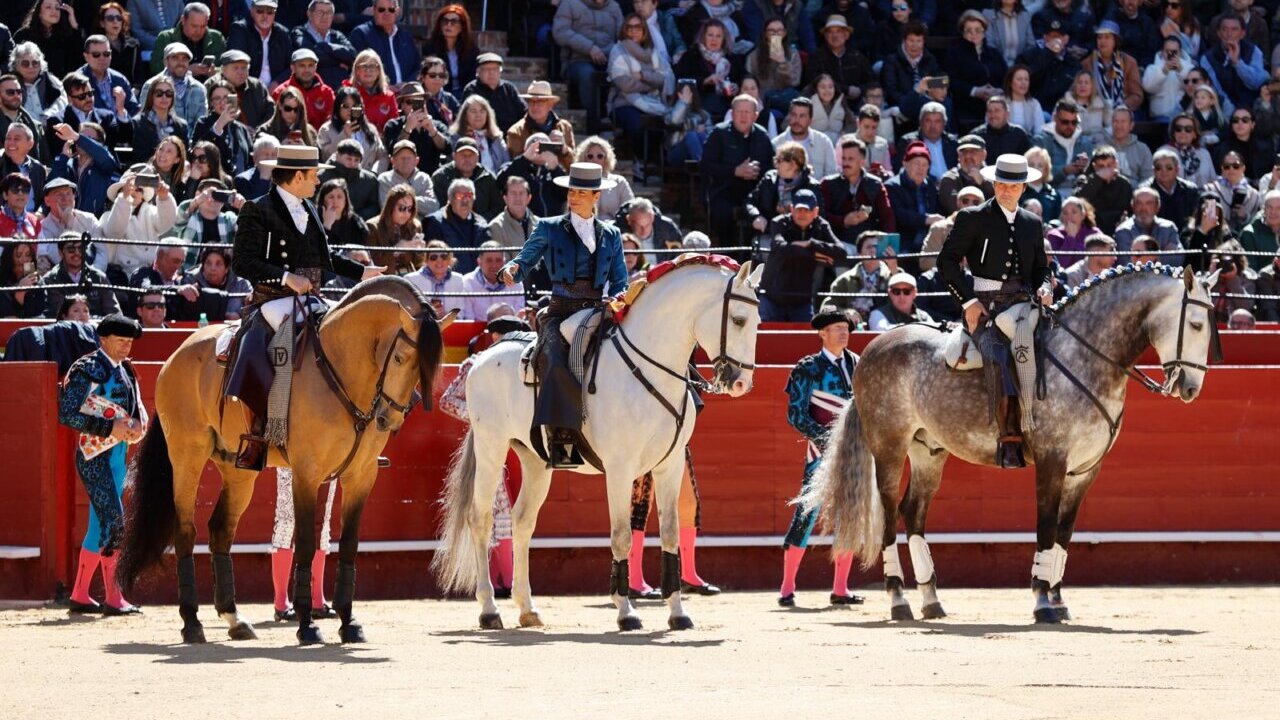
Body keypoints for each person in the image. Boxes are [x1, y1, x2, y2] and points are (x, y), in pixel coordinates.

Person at [227, 144, 384, 470]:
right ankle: (263, 433)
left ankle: (360, 427)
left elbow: (323, 259)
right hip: (272, 299)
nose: (317, 182)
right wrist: (286, 277)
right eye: (313, 176)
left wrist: (362, 272)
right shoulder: (257, 209)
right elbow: (242, 263)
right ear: (297, 176)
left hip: (309, 299)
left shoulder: (308, 207)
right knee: (284, 340)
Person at [497, 162, 628, 468]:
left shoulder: (611, 234)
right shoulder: (549, 227)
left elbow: (620, 280)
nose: (574, 196)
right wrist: (512, 269)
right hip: (560, 310)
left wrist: (617, 301)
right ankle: (562, 437)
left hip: (599, 309)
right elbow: (524, 260)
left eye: (581, 191)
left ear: (596, 196)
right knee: (555, 358)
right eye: (571, 190)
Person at [937, 153, 1052, 469]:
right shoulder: (972, 217)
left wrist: (1045, 287)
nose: (1006, 190)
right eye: (1001, 183)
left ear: (1023, 188)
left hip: (1024, 305)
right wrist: (968, 302)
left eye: (1013, 185)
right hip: (985, 307)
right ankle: (1009, 438)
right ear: (993, 184)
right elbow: (946, 262)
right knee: (999, 357)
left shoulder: (1031, 222)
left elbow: (1041, 268)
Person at [438, 313, 533, 599]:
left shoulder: (521, 366)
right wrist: (483, 420)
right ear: (495, 337)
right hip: (484, 440)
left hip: (514, 440)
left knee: (505, 509)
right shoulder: (476, 364)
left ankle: (504, 580)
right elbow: (446, 401)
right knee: (495, 506)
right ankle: (496, 578)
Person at [58, 313, 147, 616]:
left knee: (99, 527)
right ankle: (114, 597)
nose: (126, 347)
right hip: (94, 457)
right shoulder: (87, 368)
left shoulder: (125, 370)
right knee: (114, 523)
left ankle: (81, 594)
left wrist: (137, 425)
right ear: (104, 339)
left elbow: (135, 408)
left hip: (118, 456)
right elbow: (67, 414)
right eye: (121, 341)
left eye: (129, 342)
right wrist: (111, 429)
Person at [779, 305, 862, 607]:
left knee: (850, 514)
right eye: (838, 328)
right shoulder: (807, 368)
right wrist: (828, 441)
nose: (844, 332)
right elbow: (796, 414)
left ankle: (841, 589)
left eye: (847, 328)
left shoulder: (858, 364)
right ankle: (787, 587)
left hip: (853, 451)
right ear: (822, 333)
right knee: (807, 513)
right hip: (821, 452)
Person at [758, 188, 846, 320]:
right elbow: (779, 247)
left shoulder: (821, 226)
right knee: (762, 338)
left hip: (802, 302)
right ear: (792, 209)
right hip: (771, 299)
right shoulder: (779, 222)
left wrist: (812, 243)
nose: (802, 214)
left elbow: (841, 252)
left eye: (807, 210)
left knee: (807, 340)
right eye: (799, 210)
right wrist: (815, 254)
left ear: (816, 212)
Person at [700, 94, 775, 249]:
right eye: (739, 111)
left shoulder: (762, 136)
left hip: (755, 191)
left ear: (755, 116)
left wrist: (757, 171)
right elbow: (706, 165)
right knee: (722, 213)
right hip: (725, 189)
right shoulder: (719, 133)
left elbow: (772, 167)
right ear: (732, 114)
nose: (743, 116)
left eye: (747, 112)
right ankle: (728, 255)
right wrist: (735, 171)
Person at [553, 0, 622, 136]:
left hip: (609, 59)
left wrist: (608, 52)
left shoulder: (614, 7)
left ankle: (616, 122)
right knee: (588, 75)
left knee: (623, 74)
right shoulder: (570, 4)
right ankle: (592, 126)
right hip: (577, 60)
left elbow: (622, 36)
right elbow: (560, 32)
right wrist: (589, 48)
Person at [819, 134, 894, 246]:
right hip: (838, 243)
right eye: (844, 158)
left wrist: (887, 244)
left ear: (862, 161)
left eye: (850, 159)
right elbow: (820, 217)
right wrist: (843, 221)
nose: (845, 163)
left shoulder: (875, 185)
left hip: (869, 244)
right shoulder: (828, 184)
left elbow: (887, 217)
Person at [883, 140, 942, 270]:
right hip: (904, 241)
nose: (920, 168)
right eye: (916, 163)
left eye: (924, 164)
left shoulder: (931, 186)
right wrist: (926, 219)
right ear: (905, 164)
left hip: (928, 241)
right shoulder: (892, 186)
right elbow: (899, 214)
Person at [746, 141, 823, 235]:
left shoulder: (812, 186)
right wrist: (756, 216)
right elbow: (749, 201)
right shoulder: (769, 179)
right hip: (769, 234)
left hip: (799, 238)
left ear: (793, 164)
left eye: (779, 160)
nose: (775, 164)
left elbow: (818, 219)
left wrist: (790, 213)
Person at [672, 19, 739, 119]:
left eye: (718, 36)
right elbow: (680, 80)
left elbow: (742, 77)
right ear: (703, 37)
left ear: (723, 39)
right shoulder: (691, 55)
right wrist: (704, 81)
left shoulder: (731, 58)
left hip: (726, 109)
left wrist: (736, 87)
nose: (714, 40)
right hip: (699, 108)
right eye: (710, 35)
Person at [1199, 14, 1266, 114]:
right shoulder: (1208, 58)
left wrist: (1237, 63)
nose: (1229, 34)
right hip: (1223, 111)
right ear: (1219, 33)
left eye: (1234, 29)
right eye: (1224, 29)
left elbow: (1257, 83)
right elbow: (1216, 90)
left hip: (1252, 109)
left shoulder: (1254, 51)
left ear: (1242, 33)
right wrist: (1232, 114)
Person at [423, 178, 491, 274]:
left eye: (469, 195)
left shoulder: (482, 225)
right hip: (447, 281)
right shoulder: (435, 223)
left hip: (476, 282)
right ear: (450, 199)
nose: (465, 200)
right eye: (460, 196)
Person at [506, 80, 576, 171]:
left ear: (550, 105)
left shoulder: (565, 128)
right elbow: (516, 169)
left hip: (560, 181)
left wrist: (565, 150)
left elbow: (574, 166)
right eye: (531, 102)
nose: (535, 107)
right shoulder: (515, 132)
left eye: (540, 102)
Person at [350, 0, 421, 87]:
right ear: (374, 10)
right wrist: (385, 87)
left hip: (406, 96)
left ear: (397, 12)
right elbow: (360, 69)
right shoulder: (361, 34)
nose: (386, 13)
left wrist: (407, 85)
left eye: (391, 10)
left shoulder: (406, 37)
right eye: (381, 9)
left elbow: (418, 68)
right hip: (377, 95)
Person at [192, 77, 254, 175]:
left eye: (226, 97)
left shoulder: (241, 128)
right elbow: (196, 150)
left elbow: (251, 159)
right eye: (217, 98)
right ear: (211, 103)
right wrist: (219, 125)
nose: (222, 102)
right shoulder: (203, 123)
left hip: (241, 184)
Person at [141, 42, 209, 130]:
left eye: (184, 59)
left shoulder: (199, 89)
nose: (180, 63)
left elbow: (202, 123)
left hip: (193, 141)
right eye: (175, 58)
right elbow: (145, 120)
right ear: (166, 61)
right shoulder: (150, 86)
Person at [291, 0, 357, 92]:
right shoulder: (299, 32)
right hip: (312, 91)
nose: (325, 16)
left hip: (341, 92)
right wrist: (338, 62)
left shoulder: (337, 35)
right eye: (320, 12)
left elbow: (352, 55)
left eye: (329, 13)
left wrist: (327, 47)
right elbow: (308, 55)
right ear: (309, 14)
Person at [151, 2, 227, 80]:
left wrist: (215, 72)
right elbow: (156, 68)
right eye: (194, 26)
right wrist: (186, 70)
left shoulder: (216, 38)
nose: (198, 31)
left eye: (203, 26)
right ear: (183, 20)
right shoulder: (166, 38)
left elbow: (227, 67)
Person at [431, 136, 501, 220]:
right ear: (454, 156)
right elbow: (437, 208)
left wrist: (479, 222)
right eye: (463, 155)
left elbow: (498, 207)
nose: (467, 159)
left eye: (471, 155)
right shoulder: (440, 177)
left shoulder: (487, 177)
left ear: (478, 157)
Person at [227, 0, 292, 91]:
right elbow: (236, 64)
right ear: (252, 11)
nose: (265, 16)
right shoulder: (240, 30)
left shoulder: (282, 33)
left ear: (275, 14)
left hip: (276, 91)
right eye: (260, 11)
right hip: (246, 89)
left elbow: (291, 67)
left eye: (270, 12)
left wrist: (276, 83)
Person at [1082, 21, 1143, 116]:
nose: (1102, 41)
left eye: (1107, 37)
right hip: (1096, 113)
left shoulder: (1129, 62)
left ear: (1115, 40)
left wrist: (1121, 107)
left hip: (1123, 112)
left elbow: (1137, 95)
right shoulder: (1087, 63)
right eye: (1099, 37)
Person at [1032, 99, 1093, 193]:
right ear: (1055, 118)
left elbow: (1093, 175)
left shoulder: (1085, 142)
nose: (1070, 126)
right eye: (1065, 122)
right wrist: (1064, 170)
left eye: (1074, 122)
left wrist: (1085, 167)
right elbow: (1036, 173)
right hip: (1049, 192)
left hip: (1079, 193)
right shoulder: (1041, 141)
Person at [826, 230, 892, 317]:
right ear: (859, 253)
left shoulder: (892, 275)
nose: (873, 250)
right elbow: (828, 307)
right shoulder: (845, 280)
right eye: (869, 247)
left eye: (877, 247)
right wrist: (845, 312)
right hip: (854, 325)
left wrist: (893, 266)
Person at [1114, 187, 1184, 265]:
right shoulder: (1123, 231)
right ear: (1132, 205)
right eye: (1139, 203)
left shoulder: (1169, 228)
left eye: (1149, 203)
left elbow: (1177, 259)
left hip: (1166, 276)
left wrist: (1142, 257)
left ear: (1158, 206)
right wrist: (1162, 254)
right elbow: (1127, 262)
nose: (1143, 208)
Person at [1073, 145, 1132, 236]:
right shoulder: (1084, 180)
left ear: (1116, 164)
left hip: (1117, 229)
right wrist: (1097, 179)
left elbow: (1129, 210)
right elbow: (1077, 201)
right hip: (1090, 229)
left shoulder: (1124, 184)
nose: (1106, 169)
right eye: (1101, 166)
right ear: (1094, 166)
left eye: (1109, 165)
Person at [773, 97, 836, 181]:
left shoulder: (824, 142)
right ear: (789, 117)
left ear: (810, 120)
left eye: (802, 116)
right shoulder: (776, 144)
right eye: (794, 115)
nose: (797, 120)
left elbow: (831, 176)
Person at [366, 181, 422, 275]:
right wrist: (396, 249)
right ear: (391, 207)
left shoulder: (415, 226)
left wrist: (419, 252)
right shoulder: (373, 227)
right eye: (402, 208)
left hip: (409, 276)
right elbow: (374, 264)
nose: (406, 213)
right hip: (384, 279)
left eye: (410, 209)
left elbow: (418, 265)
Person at [462, 53, 525, 134]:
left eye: (495, 69)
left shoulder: (509, 89)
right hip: (482, 137)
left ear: (500, 72)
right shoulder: (471, 89)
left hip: (511, 135)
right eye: (487, 69)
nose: (491, 73)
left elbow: (524, 111)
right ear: (478, 72)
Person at [80, 34, 138, 121]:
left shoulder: (120, 79)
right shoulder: (78, 81)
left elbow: (134, 111)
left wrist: (121, 109)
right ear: (86, 56)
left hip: (121, 131)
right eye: (96, 54)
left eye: (106, 54)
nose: (102, 58)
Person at [460, 240, 523, 321]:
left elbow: (518, 317)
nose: (494, 265)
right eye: (489, 260)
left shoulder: (516, 282)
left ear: (504, 261)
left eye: (498, 260)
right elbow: (469, 319)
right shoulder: (467, 282)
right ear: (479, 261)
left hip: (510, 331)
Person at [211, 48, 274, 129]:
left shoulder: (257, 86)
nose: (240, 72)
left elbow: (270, 111)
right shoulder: (212, 86)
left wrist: (259, 130)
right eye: (235, 68)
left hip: (256, 134)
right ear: (223, 70)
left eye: (244, 68)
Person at [1203, 150, 1262, 235]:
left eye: (1236, 166)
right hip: (1217, 239)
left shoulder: (1254, 195)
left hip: (1244, 240)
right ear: (1222, 168)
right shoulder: (1210, 190)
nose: (1231, 169)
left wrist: (1245, 216)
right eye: (1227, 166)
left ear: (1243, 168)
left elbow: (1259, 223)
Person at [318, 138, 380, 219]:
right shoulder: (321, 177)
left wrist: (355, 219)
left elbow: (374, 207)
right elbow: (315, 204)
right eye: (349, 158)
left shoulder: (370, 180)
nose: (352, 163)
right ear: (337, 156)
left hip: (358, 226)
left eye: (357, 160)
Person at [1141, 147, 1201, 230]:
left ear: (1177, 170)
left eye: (1169, 168)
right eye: (1158, 168)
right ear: (1153, 171)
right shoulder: (1145, 192)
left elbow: (1196, 218)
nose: (1164, 171)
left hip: (1185, 236)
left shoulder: (1190, 190)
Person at [273, 48, 333, 130]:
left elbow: (331, 124)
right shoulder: (280, 92)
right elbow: (274, 123)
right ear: (292, 68)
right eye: (302, 66)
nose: (307, 70)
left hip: (320, 140)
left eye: (310, 65)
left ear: (316, 67)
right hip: (288, 139)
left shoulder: (327, 92)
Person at [451, 94, 510, 176]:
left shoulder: (496, 138)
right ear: (465, 115)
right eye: (473, 111)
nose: (478, 115)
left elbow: (506, 163)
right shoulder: (456, 138)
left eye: (482, 111)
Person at [377, 139, 436, 217]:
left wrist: (402, 200)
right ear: (392, 160)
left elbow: (433, 206)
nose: (405, 161)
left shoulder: (424, 178)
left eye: (409, 158)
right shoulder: (385, 179)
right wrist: (420, 202)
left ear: (417, 161)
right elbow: (388, 208)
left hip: (421, 226)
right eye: (402, 158)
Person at [575, 137, 631, 219]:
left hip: (614, 228)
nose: (595, 160)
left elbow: (630, 208)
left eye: (600, 156)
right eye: (590, 156)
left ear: (606, 158)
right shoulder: (577, 183)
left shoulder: (619, 182)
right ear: (584, 159)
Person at [343, 49, 397, 132]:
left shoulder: (389, 97)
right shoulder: (346, 93)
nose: (368, 70)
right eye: (364, 66)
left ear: (379, 70)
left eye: (372, 66)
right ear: (357, 70)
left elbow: (394, 127)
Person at [937, 134, 993, 215]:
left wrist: (983, 183)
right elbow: (955, 209)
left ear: (984, 155)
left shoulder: (994, 176)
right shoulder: (949, 179)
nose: (968, 156)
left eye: (973, 151)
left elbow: (1001, 205)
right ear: (958, 155)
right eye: (964, 152)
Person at [1142, 35, 1193, 122]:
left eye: (1174, 52)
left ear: (1180, 52)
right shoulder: (1153, 68)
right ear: (1162, 51)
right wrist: (1163, 72)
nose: (1171, 54)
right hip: (1159, 117)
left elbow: (1194, 88)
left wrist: (1181, 70)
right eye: (1168, 51)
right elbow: (1148, 88)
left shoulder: (1189, 68)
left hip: (1184, 116)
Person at [96, 3, 144, 85]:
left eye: (119, 18)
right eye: (110, 18)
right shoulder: (96, 46)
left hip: (130, 92)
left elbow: (138, 75)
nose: (115, 21)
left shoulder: (133, 45)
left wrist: (135, 90)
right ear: (102, 23)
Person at [1216, 107, 1269, 181]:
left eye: (1245, 120)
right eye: (1235, 120)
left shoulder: (1265, 149)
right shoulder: (1222, 149)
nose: (1240, 123)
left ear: (1253, 124)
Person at [973, 95, 1030, 161]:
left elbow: (1027, 161)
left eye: (997, 110)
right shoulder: (977, 136)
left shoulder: (1019, 135)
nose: (993, 115)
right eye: (990, 111)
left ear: (1007, 114)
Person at [868, 271, 932, 329]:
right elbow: (882, 333)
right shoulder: (877, 314)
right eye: (896, 291)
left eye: (906, 291)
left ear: (915, 293)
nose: (902, 296)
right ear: (890, 293)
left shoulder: (924, 316)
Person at [317, 176, 368, 249]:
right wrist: (326, 226)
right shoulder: (315, 220)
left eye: (339, 197)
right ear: (323, 200)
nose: (335, 201)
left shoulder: (355, 223)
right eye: (331, 197)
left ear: (345, 200)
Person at [1239, 190, 1280, 272]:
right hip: (1263, 282)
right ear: (1263, 209)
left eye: (1279, 208)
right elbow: (1251, 271)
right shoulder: (1249, 233)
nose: (1273, 212)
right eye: (1269, 207)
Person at [0, 239, 42, 318]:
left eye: (28, 255)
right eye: (18, 255)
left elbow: (42, 313)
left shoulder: (38, 281)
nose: (24, 260)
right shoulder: (1, 280)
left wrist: (21, 293)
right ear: (9, 258)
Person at [0, 171, 40, 238]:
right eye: (15, 189)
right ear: (5, 195)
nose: (20, 193)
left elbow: (43, 248)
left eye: (25, 190)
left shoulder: (35, 222)